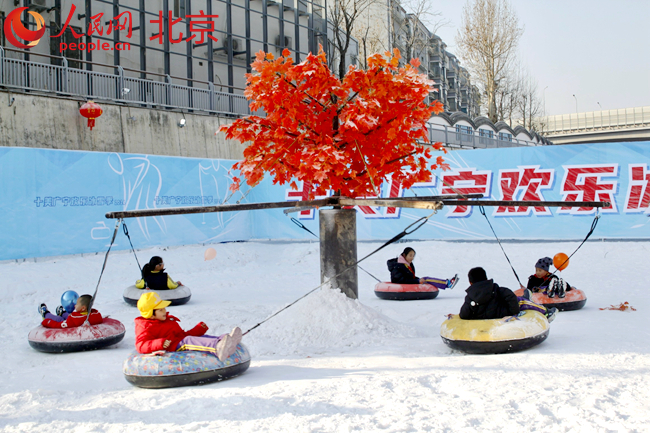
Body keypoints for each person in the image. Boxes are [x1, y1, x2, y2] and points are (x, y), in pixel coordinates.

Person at [135, 292, 242, 361]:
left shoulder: (166, 321)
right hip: (172, 347)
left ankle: (225, 340)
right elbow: (140, 345)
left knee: (199, 339)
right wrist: (160, 343)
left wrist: (198, 330)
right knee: (189, 341)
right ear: (151, 313)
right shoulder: (145, 326)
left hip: (178, 341)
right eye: (160, 310)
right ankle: (217, 348)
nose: (165, 311)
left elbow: (182, 335)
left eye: (164, 308)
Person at [459, 267, 557, 322]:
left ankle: (526, 297)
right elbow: (510, 296)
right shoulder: (495, 289)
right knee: (520, 301)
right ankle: (546, 312)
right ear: (486, 278)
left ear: (470, 282)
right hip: (502, 314)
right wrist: (514, 311)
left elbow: (464, 314)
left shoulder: (470, 297)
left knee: (517, 300)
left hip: (483, 318)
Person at [387, 247, 458, 290]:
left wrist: (418, 280)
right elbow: (401, 280)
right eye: (410, 255)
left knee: (425, 279)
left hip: (407, 282)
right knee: (426, 279)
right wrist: (417, 281)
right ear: (404, 255)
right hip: (401, 285)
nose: (412, 258)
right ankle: (447, 283)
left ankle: (447, 283)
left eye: (413, 256)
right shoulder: (398, 266)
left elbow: (409, 276)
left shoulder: (406, 264)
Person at [38, 294, 103, 328]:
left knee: (59, 319)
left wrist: (47, 322)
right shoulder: (96, 314)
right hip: (78, 318)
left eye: (77, 304)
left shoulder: (75, 319)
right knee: (69, 315)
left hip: (71, 322)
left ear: (83, 308)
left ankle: (45, 314)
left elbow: (60, 325)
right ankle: (62, 313)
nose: (75, 305)